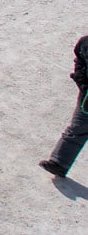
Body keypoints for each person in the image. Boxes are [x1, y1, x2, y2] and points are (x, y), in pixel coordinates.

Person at [39, 34, 88, 179]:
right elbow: (79, 62)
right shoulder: (85, 43)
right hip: (87, 98)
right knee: (77, 128)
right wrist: (82, 82)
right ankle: (59, 163)